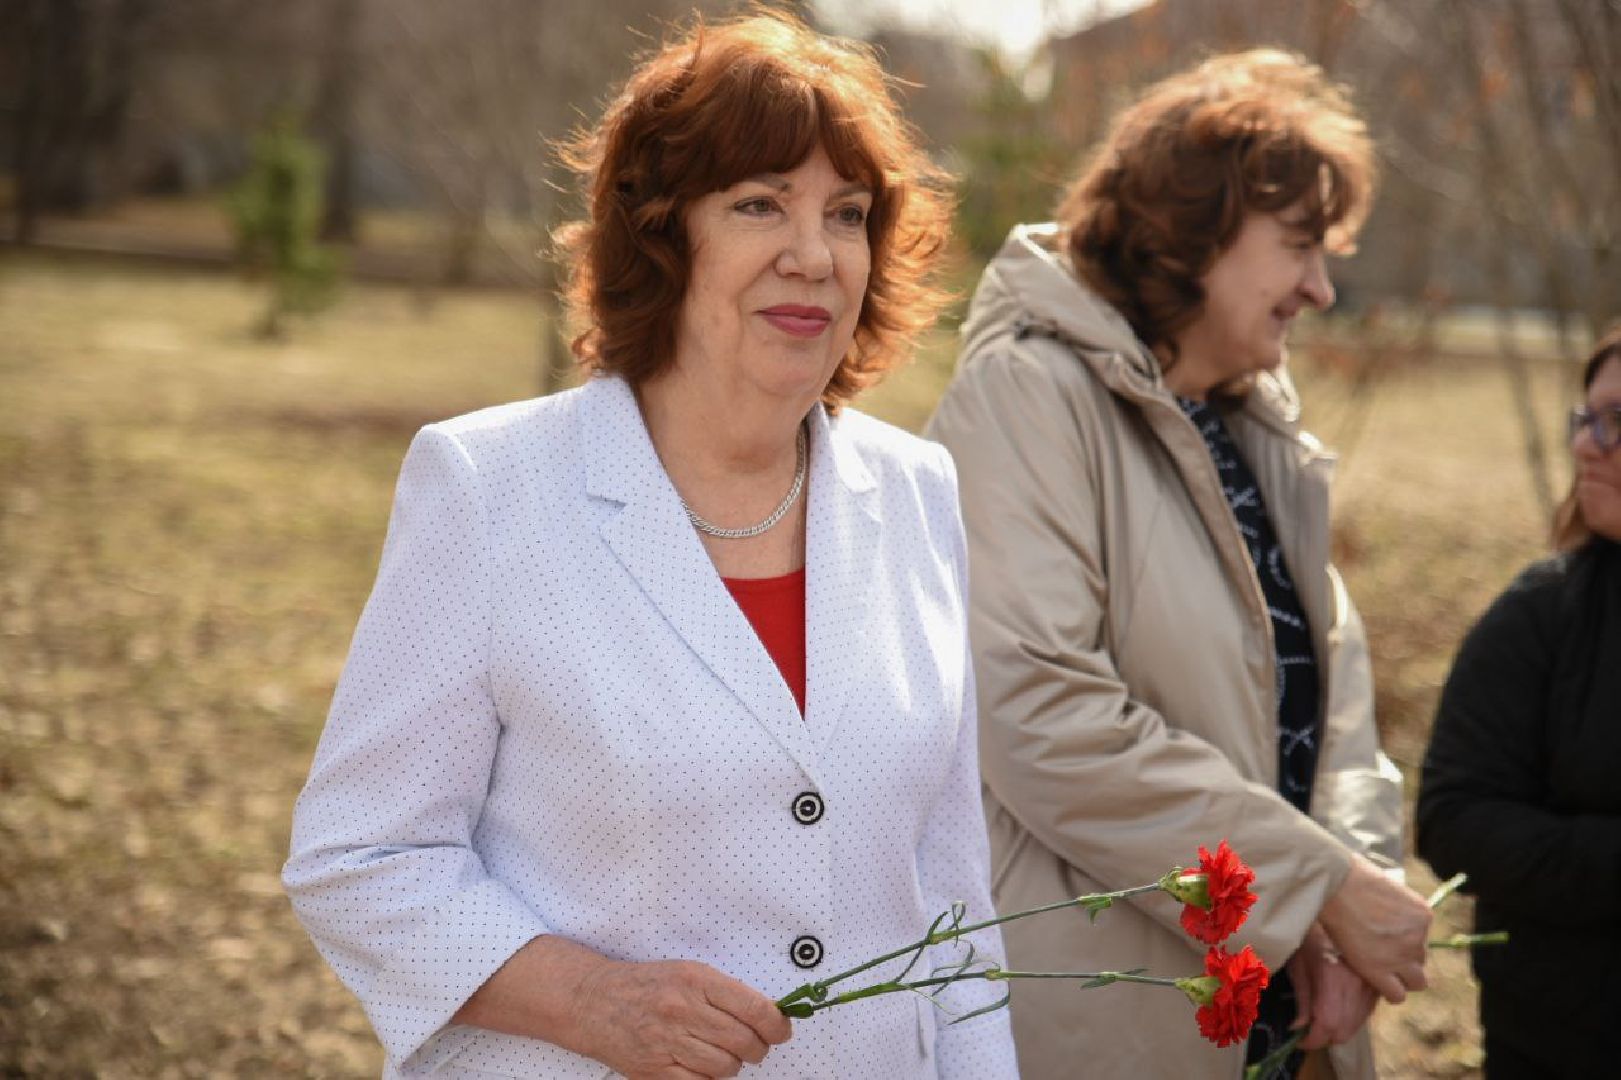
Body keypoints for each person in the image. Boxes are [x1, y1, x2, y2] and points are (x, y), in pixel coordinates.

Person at [282, 13, 1019, 1079]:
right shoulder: (490, 489)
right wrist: (592, 1001)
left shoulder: (917, 491)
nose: (812, 256)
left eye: (847, 214)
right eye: (759, 204)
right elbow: (362, 857)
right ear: (664, 233)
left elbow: (949, 892)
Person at [925, 50, 1433, 1080]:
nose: (1321, 288)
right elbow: (1042, 717)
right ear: (1194, 232)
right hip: (1114, 1018)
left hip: (1290, 1016)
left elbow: (1334, 711)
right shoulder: (1026, 398)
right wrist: (1316, 891)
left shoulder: (1253, 425)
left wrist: (1346, 911)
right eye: (1298, 245)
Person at [1416, 327, 1621, 1078]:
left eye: (1619, 421)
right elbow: (1454, 819)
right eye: (1585, 417)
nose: (1589, 445)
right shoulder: (1541, 615)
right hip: (1562, 1040)